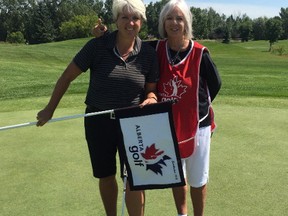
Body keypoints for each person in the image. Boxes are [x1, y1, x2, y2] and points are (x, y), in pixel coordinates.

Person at [93, 0, 221, 215]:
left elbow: (215, 85)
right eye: (169, 18)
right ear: (163, 22)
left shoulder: (200, 53)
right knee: (176, 174)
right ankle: (182, 213)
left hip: (198, 125)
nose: (174, 23)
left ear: (186, 22)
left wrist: (194, 109)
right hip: (168, 125)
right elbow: (128, 37)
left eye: (179, 18)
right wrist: (103, 35)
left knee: (198, 178)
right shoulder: (155, 48)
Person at [36, 0, 159, 215]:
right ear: (116, 20)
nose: (130, 23)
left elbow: (151, 90)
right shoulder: (97, 45)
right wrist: (50, 109)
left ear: (142, 22)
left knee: (134, 177)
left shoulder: (148, 54)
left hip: (133, 123)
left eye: (135, 18)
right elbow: (67, 77)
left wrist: (152, 98)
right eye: (125, 17)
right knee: (106, 174)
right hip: (98, 121)